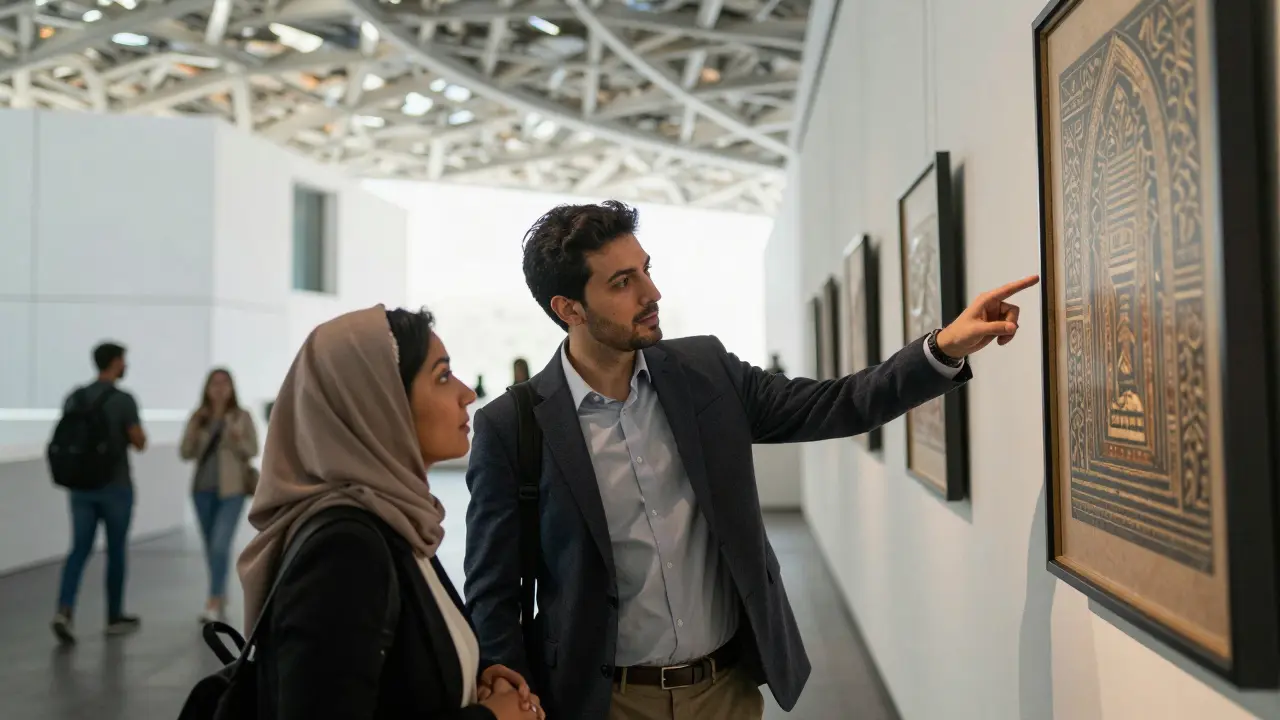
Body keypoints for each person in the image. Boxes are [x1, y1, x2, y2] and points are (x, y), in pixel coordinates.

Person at [463, 200, 1039, 719]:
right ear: (570, 308)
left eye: (647, 269)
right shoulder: (512, 426)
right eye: (623, 282)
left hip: (725, 692)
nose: (651, 293)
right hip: (601, 702)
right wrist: (508, 690)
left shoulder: (704, 373)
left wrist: (940, 349)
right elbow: (493, 589)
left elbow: (836, 405)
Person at [235, 306, 543, 720]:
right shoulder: (344, 549)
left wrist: (470, 675)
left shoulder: (396, 519)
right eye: (442, 376)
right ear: (378, 403)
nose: (467, 393)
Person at [52, 342, 147, 644]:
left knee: (79, 549)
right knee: (116, 550)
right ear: (116, 363)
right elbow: (139, 441)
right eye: (124, 360)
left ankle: (64, 610)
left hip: (81, 487)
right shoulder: (123, 400)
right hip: (115, 486)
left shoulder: (75, 397)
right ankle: (114, 616)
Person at [180, 368, 259, 624]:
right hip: (202, 490)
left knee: (220, 544)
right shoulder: (198, 417)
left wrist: (236, 437)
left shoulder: (241, 416)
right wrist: (196, 430)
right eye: (215, 383)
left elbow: (252, 449)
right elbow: (186, 452)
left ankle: (213, 599)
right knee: (211, 548)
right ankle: (221, 592)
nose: (220, 388)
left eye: (225, 383)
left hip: (232, 491)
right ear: (207, 387)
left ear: (232, 387)